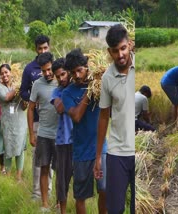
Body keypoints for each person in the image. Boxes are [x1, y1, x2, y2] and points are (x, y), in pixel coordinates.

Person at [94, 24, 135, 214]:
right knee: (115, 208)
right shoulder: (107, 78)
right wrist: (98, 158)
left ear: (130, 45)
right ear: (109, 52)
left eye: (123, 48)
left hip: (140, 150)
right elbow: (103, 117)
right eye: (115, 51)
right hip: (117, 153)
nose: (120, 55)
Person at [62, 48, 107, 214]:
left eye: (80, 70)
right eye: (73, 73)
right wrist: (89, 91)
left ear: (87, 67)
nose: (78, 76)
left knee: (104, 189)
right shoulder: (67, 93)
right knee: (81, 195)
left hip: (100, 148)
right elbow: (76, 116)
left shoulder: (99, 86)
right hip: (81, 152)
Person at [19, 35, 53, 200]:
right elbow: (23, 91)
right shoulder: (29, 69)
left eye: (45, 48)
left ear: (49, 47)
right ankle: (36, 193)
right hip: (38, 121)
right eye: (39, 48)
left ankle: (49, 192)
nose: (42, 51)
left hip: (54, 121)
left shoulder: (55, 66)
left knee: (52, 161)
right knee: (38, 159)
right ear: (35, 49)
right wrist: (34, 95)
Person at [27, 52, 58, 211]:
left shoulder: (62, 80)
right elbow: (31, 109)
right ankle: (45, 204)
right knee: (43, 168)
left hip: (61, 135)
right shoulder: (37, 85)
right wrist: (32, 133)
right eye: (43, 70)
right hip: (44, 134)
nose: (47, 73)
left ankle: (60, 203)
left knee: (61, 171)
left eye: (49, 69)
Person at [0, 64, 27, 180]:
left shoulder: (16, 84)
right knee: (8, 148)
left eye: (6, 72)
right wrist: (19, 88)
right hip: (7, 123)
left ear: (11, 72)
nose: (4, 75)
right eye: (2, 73)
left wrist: (25, 99)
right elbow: (6, 97)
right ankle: (8, 176)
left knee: (19, 149)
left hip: (20, 122)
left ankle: (18, 177)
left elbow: (23, 107)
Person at [50, 58, 73, 214]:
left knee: (79, 179)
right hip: (63, 141)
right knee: (62, 180)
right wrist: (72, 93)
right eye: (58, 76)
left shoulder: (80, 87)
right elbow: (59, 108)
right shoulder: (57, 91)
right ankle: (62, 211)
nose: (62, 78)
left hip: (80, 140)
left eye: (64, 74)